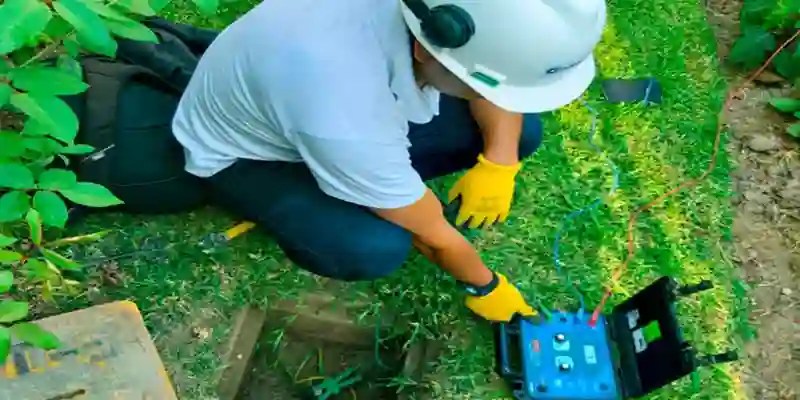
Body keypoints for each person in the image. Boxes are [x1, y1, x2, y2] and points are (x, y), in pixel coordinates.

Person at [171, 0, 607, 322]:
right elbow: (433, 236)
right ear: (427, 50)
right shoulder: (342, 110)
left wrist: (499, 162)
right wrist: (486, 285)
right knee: (374, 246)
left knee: (516, 133)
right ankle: (316, 202)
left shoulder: (434, 13)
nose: (498, 100)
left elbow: (497, 82)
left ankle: (366, 183)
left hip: (311, 107)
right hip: (250, 156)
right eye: (488, 87)